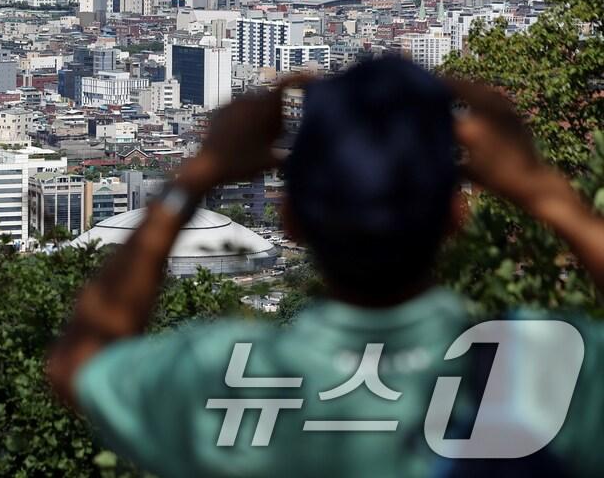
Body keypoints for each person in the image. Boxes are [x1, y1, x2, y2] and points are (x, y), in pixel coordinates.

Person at [47, 55, 604, 477]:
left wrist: (194, 180)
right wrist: (543, 191)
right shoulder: (546, 373)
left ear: (291, 219)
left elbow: (80, 363)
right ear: (457, 216)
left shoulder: (227, 382)